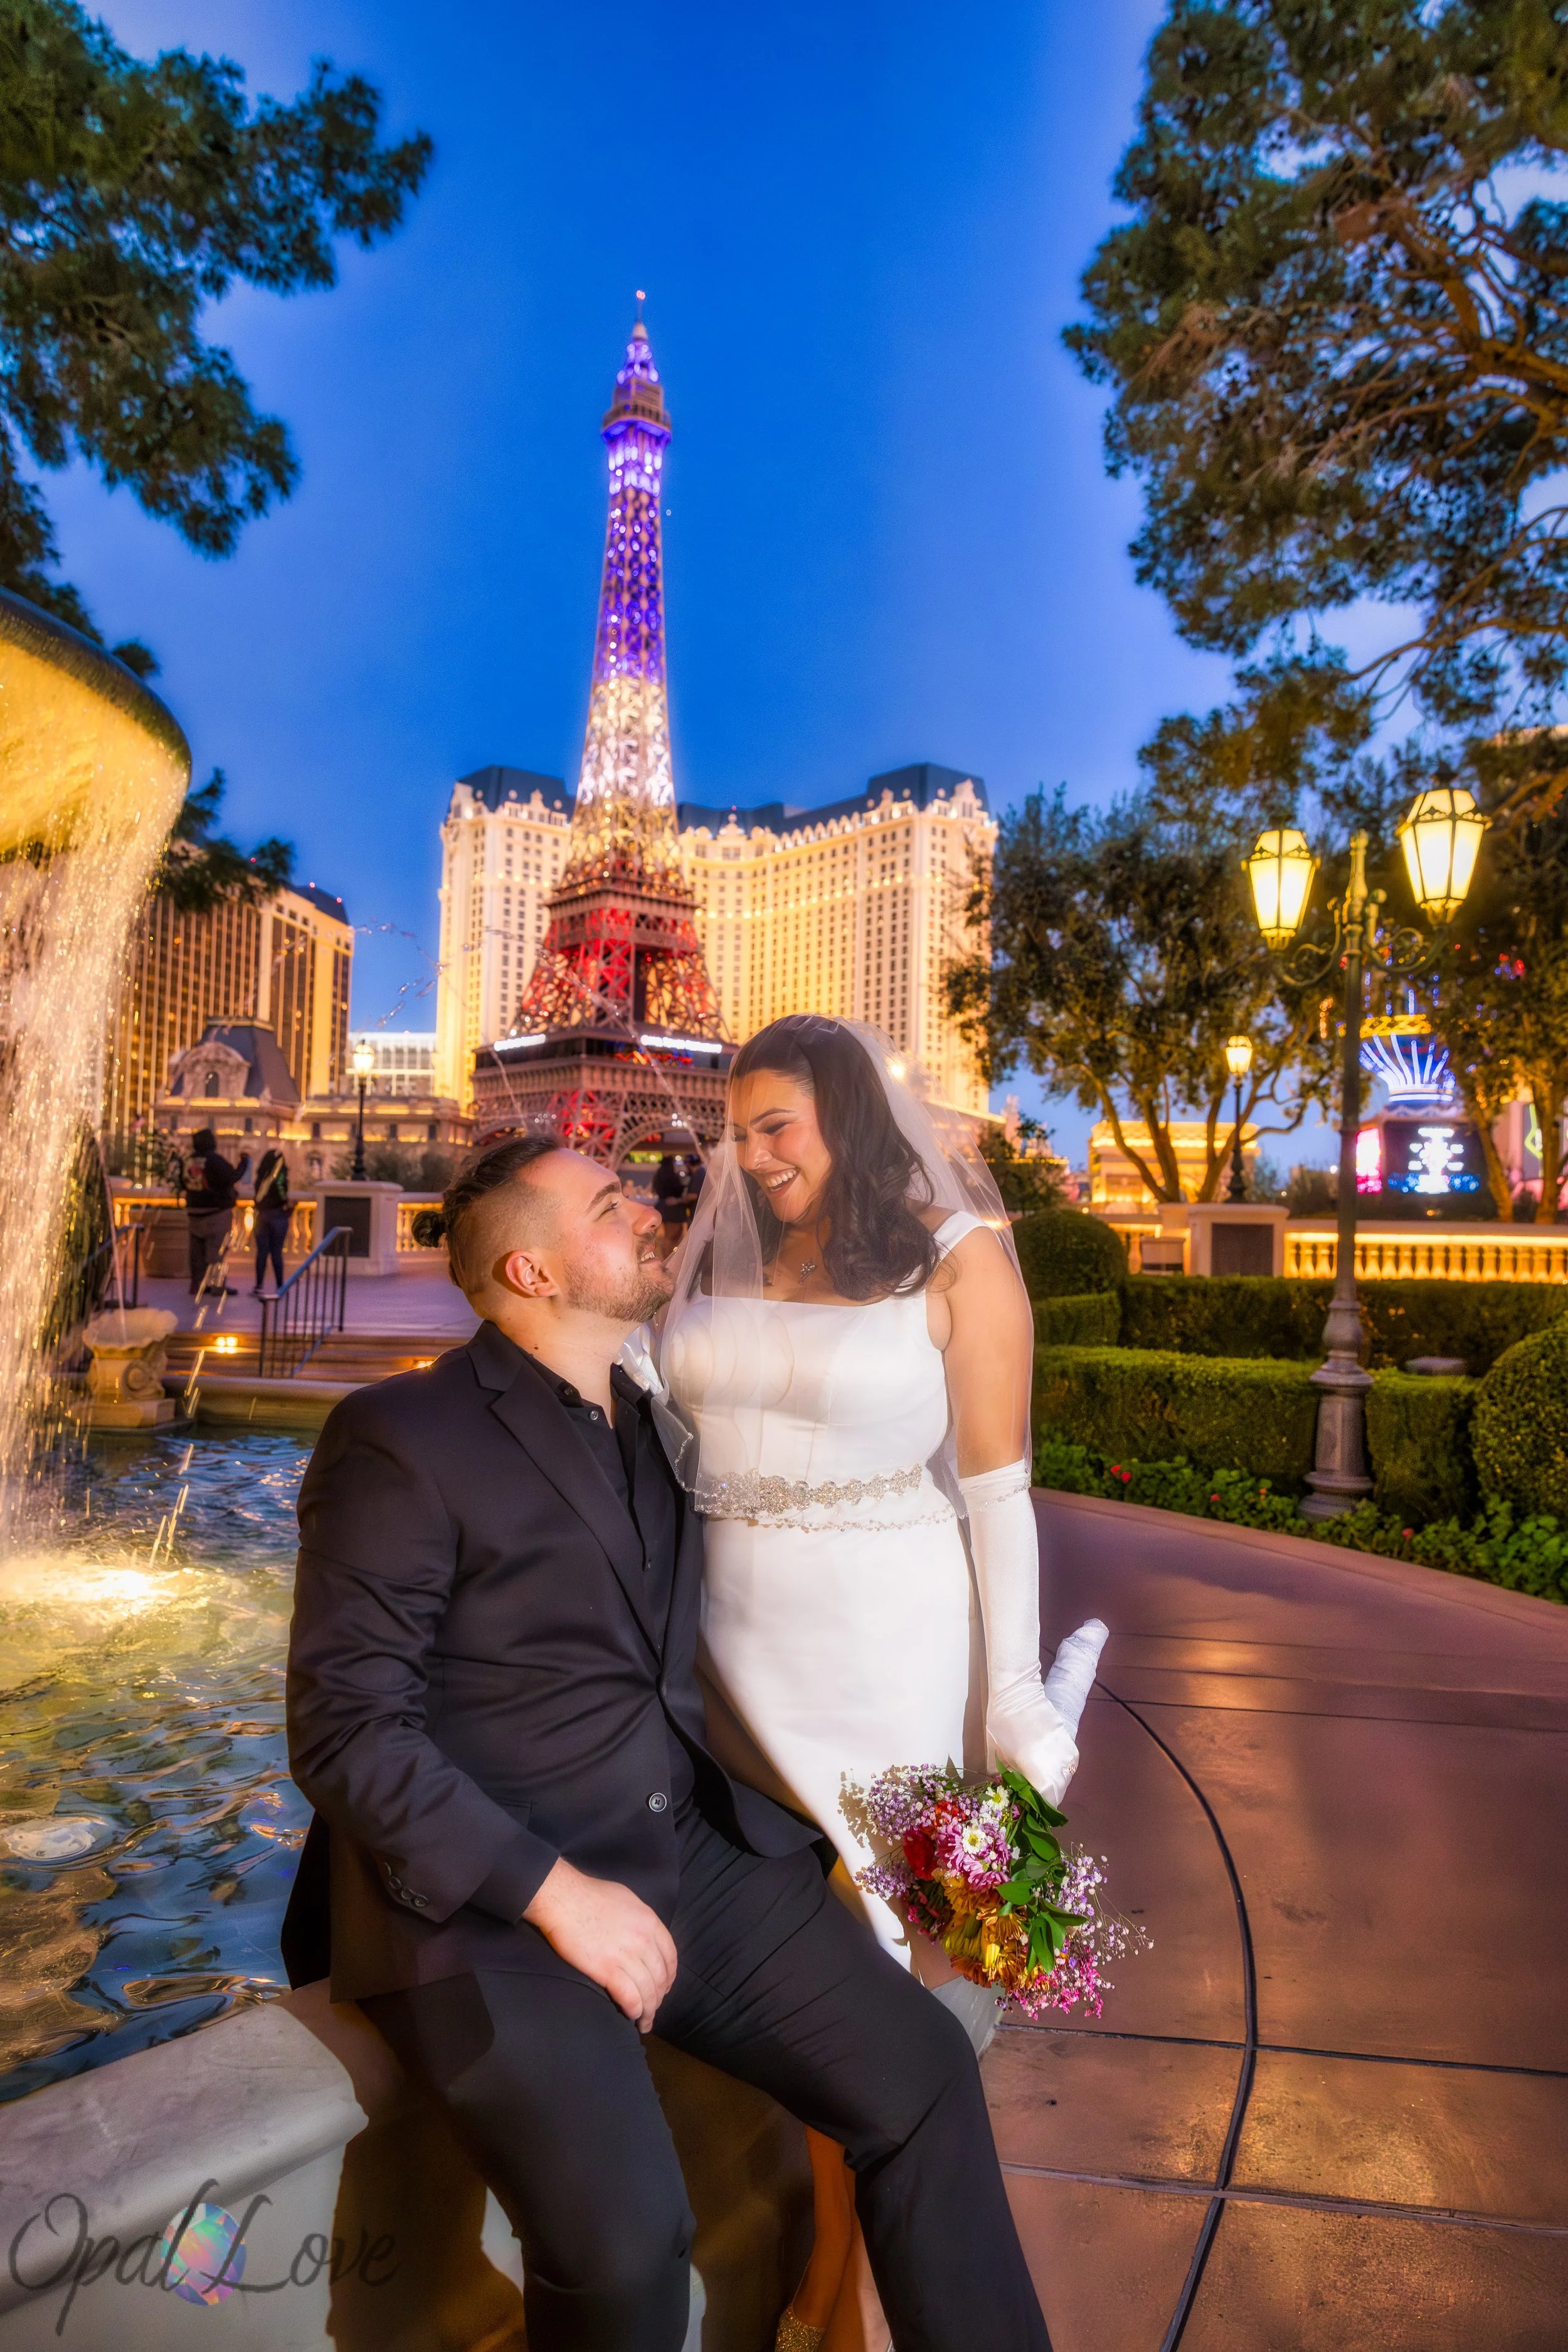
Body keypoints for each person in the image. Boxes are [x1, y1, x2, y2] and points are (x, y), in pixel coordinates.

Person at [282, 1135, 1052, 2352]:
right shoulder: (401, 1436)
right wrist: (551, 1893)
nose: (648, 1214)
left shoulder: (663, 1419)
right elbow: (342, 1731)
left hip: (686, 1858)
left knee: (922, 2079)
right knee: (631, 2251)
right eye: (608, 1206)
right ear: (533, 1273)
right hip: (495, 1918)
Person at [659, 1016, 1107, 2351]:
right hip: (720, 1654)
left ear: (847, 1116)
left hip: (886, 1649)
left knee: (877, 1992)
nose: (751, 1155)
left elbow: (997, 1494)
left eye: (775, 1127)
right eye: (736, 1132)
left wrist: (1015, 1695)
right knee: (805, 1977)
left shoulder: (961, 1257)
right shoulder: (730, 1245)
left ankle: (829, 2298)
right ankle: (827, 2290)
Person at [183, 1126, 250, 1299]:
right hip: (216, 1213)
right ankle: (217, 1287)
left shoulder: (190, 1161)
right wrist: (244, 1162)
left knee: (196, 1255)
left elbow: (184, 1183)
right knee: (216, 1254)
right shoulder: (214, 1160)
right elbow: (232, 1177)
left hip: (194, 1212)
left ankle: (197, 1286)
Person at [251, 1147, 291, 1297]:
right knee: (276, 1253)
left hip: (262, 1217)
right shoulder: (279, 1176)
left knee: (261, 1252)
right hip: (278, 1216)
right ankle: (280, 1286)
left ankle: (259, 1286)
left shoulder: (261, 1177)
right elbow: (282, 1194)